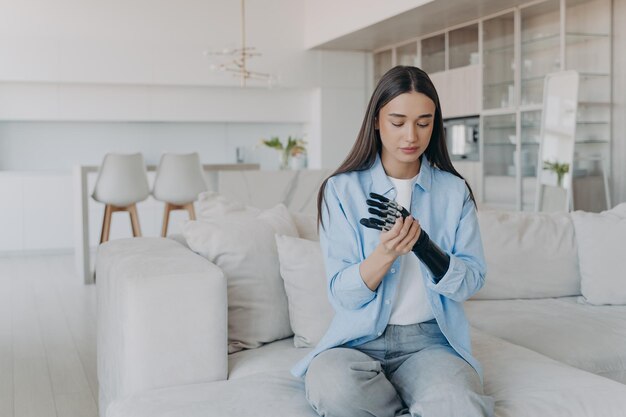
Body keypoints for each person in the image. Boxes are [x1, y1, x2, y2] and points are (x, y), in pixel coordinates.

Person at [291, 66, 495, 417]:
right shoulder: (342, 190)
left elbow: (470, 283)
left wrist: (427, 249)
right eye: (398, 122)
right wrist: (385, 254)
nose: (411, 136)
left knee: (459, 405)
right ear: (376, 121)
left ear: (435, 124)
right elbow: (342, 293)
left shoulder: (453, 190)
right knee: (334, 389)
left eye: (423, 122)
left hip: (430, 343)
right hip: (357, 342)